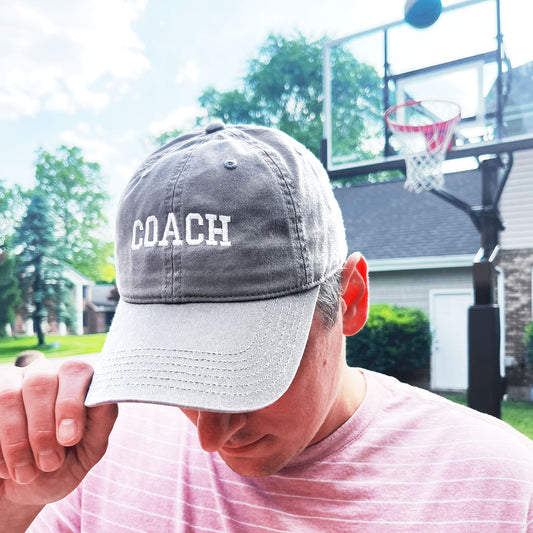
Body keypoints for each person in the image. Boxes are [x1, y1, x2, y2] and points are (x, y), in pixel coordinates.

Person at [1, 124, 532, 532]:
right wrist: (17, 502)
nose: (211, 437)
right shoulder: (98, 448)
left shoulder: (503, 492)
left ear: (349, 299)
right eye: (173, 370)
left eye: (247, 371)